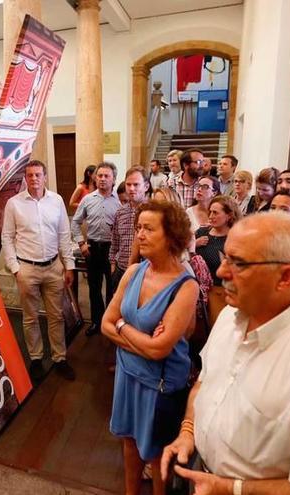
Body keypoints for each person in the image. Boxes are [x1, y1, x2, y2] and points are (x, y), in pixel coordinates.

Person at [161, 212, 290, 495]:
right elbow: (207, 381)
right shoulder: (229, 317)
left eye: (238, 263)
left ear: (285, 277)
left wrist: (231, 488)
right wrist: (188, 430)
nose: (222, 272)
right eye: (225, 258)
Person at [101, 200, 197, 495]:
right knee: (129, 440)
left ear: (171, 235)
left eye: (148, 229)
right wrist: (131, 333)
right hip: (128, 375)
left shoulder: (186, 286)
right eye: (138, 227)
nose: (139, 234)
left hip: (161, 384)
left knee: (156, 453)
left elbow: (159, 351)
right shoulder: (133, 273)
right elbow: (106, 323)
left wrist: (122, 327)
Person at [2, 160, 76, 380]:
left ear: (45, 177)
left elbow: (64, 234)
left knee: (57, 316)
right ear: (25, 178)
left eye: (38, 175)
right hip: (27, 269)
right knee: (30, 317)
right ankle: (35, 358)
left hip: (54, 268)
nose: (34, 179)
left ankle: (59, 358)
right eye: (30, 175)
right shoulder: (14, 204)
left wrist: (69, 265)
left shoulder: (57, 201)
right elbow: (7, 237)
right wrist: (15, 269)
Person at [72, 162, 122, 337]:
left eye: (106, 176)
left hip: (112, 250)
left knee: (112, 289)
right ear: (95, 177)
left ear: (113, 179)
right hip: (92, 249)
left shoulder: (119, 201)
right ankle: (96, 322)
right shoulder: (87, 199)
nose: (102, 179)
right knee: (94, 288)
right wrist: (81, 243)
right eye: (99, 176)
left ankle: (110, 323)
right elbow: (75, 222)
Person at [194, 196, 240, 326]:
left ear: (229, 215)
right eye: (210, 212)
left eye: (216, 213)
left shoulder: (234, 238)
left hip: (221, 294)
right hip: (197, 294)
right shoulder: (201, 232)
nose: (211, 216)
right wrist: (194, 245)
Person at [110, 166, 149, 296]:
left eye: (136, 184)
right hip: (121, 270)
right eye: (128, 184)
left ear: (146, 186)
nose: (131, 189)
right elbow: (115, 241)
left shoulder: (153, 211)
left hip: (144, 271)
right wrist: (113, 264)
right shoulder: (120, 212)